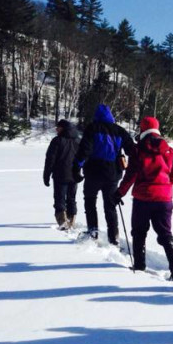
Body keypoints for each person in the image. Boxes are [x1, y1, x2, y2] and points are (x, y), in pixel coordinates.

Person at [115, 116, 173, 281]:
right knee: (165, 233)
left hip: (143, 199)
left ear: (142, 129)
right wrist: (164, 184)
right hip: (164, 199)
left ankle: (139, 266)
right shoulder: (170, 150)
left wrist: (119, 193)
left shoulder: (138, 150)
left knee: (139, 233)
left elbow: (131, 175)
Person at [73, 104, 134, 244]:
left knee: (90, 201)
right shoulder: (120, 131)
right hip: (113, 174)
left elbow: (84, 150)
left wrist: (76, 167)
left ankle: (93, 231)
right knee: (110, 205)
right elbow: (132, 150)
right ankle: (114, 236)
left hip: (93, 172)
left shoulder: (92, 128)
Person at [43, 119, 80, 230]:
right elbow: (84, 157)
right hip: (74, 175)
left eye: (58, 127)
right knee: (71, 198)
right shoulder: (78, 140)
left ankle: (63, 222)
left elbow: (50, 159)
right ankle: (71, 220)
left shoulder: (57, 140)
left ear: (63, 128)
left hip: (60, 174)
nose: (56, 129)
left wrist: (46, 175)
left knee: (60, 198)